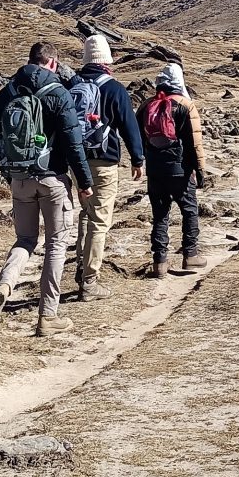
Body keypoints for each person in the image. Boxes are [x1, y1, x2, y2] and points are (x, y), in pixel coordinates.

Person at [0, 41, 94, 335]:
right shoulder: (59, 93)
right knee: (56, 244)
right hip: (52, 178)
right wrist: (84, 183)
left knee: (25, 240)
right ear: (53, 64)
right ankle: (48, 315)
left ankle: (5, 285)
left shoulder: (7, 92)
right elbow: (73, 142)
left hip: (19, 179)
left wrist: (9, 173)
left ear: (30, 61)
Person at [68, 34, 144, 300]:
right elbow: (129, 126)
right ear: (107, 60)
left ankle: (80, 266)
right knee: (100, 220)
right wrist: (137, 158)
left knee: (86, 214)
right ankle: (89, 281)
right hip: (105, 161)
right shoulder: (114, 88)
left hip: (77, 162)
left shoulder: (72, 85)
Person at [141, 61, 206, 276]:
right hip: (181, 170)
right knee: (189, 211)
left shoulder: (146, 105)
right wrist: (201, 170)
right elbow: (195, 143)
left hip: (155, 170)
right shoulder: (185, 105)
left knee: (160, 215)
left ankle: (159, 262)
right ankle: (191, 255)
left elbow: (138, 138)